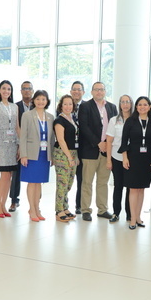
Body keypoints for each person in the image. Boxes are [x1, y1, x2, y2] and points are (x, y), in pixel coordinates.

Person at [78, 81, 118, 221]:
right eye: (96, 90)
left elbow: (115, 128)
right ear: (92, 92)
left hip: (107, 152)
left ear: (105, 91)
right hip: (90, 150)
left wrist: (107, 144)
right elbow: (84, 127)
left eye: (101, 89)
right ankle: (85, 210)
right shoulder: (85, 106)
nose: (99, 92)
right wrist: (98, 143)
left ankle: (102, 209)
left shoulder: (112, 108)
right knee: (87, 181)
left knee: (103, 182)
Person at [118, 96, 151, 229]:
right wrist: (125, 157)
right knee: (133, 189)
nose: (142, 107)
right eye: (140, 105)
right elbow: (124, 141)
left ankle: (138, 217)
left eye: (145, 104)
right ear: (136, 107)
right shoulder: (130, 121)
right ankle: (132, 219)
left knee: (141, 189)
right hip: (133, 158)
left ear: (149, 107)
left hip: (147, 159)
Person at [19, 90, 55, 222]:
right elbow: (23, 137)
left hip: (45, 154)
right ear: (34, 100)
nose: (41, 102)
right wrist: (23, 155)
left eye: (43, 99)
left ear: (47, 101)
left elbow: (52, 138)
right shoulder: (27, 115)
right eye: (38, 99)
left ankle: (37, 208)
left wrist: (52, 156)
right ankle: (32, 209)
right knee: (32, 182)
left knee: (39, 183)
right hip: (31, 154)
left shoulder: (50, 117)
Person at [0, 80, 19, 218]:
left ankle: (4, 203)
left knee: (10, 176)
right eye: (4, 88)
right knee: (4, 175)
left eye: (9, 89)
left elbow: (17, 127)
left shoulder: (15, 106)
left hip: (13, 143)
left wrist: (19, 146)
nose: (6, 91)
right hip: (1, 142)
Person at [106, 94, 132, 223]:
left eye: (127, 102)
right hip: (116, 157)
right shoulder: (113, 120)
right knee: (118, 186)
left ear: (131, 104)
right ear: (119, 104)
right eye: (122, 102)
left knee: (130, 186)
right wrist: (108, 160)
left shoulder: (135, 119)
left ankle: (130, 214)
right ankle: (116, 213)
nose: (125, 104)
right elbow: (109, 141)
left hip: (132, 158)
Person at [53, 95, 78, 222]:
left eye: (70, 104)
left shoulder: (72, 119)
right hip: (63, 154)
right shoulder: (59, 120)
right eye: (65, 104)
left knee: (69, 183)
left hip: (73, 153)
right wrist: (69, 157)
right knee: (62, 183)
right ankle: (59, 210)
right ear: (61, 106)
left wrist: (74, 156)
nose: (68, 107)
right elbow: (61, 140)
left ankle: (65, 206)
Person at [9, 80, 34, 212]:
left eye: (29, 88)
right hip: (19, 144)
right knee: (16, 174)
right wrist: (19, 146)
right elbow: (14, 127)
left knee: (35, 175)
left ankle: (35, 202)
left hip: (35, 145)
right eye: (24, 88)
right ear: (21, 91)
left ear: (32, 90)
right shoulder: (15, 106)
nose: (27, 90)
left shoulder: (38, 106)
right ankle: (14, 200)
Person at [70, 81, 85, 214]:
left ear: (83, 92)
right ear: (71, 92)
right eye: (74, 89)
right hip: (68, 148)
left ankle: (79, 205)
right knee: (66, 178)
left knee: (81, 178)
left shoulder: (87, 106)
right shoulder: (65, 106)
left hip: (83, 148)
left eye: (79, 90)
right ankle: (62, 206)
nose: (76, 92)